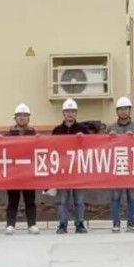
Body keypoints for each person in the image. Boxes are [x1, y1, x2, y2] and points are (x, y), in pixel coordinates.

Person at [107, 97, 134, 233]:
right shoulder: (111, 128)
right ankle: (116, 223)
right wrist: (109, 137)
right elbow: (102, 146)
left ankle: (131, 223)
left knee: (132, 197)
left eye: (126, 109)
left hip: (132, 167)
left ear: (130, 110)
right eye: (121, 109)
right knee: (115, 197)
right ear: (117, 111)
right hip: (116, 167)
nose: (123, 111)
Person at [52, 99, 88, 234]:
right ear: (63, 113)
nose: (70, 113)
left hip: (78, 170)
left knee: (79, 200)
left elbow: (90, 147)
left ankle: (80, 223)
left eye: (72, 111)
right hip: (63, 171)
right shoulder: (57, 131)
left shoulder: (83, 130)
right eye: (67, 111)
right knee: (63, 200)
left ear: (76, 113)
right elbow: (51, 149)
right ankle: (62, 224)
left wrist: (83, 139)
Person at [5, 103, 39, 235]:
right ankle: (10, 225)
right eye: (19, 115)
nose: (22, 117)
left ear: (28, 118)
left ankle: (32, 224)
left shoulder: (34, 134)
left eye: (25, 115)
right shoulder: (8, 135)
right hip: (13, 172)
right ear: (15, 118)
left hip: (29, 172)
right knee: (12, 200)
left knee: (30, 200)